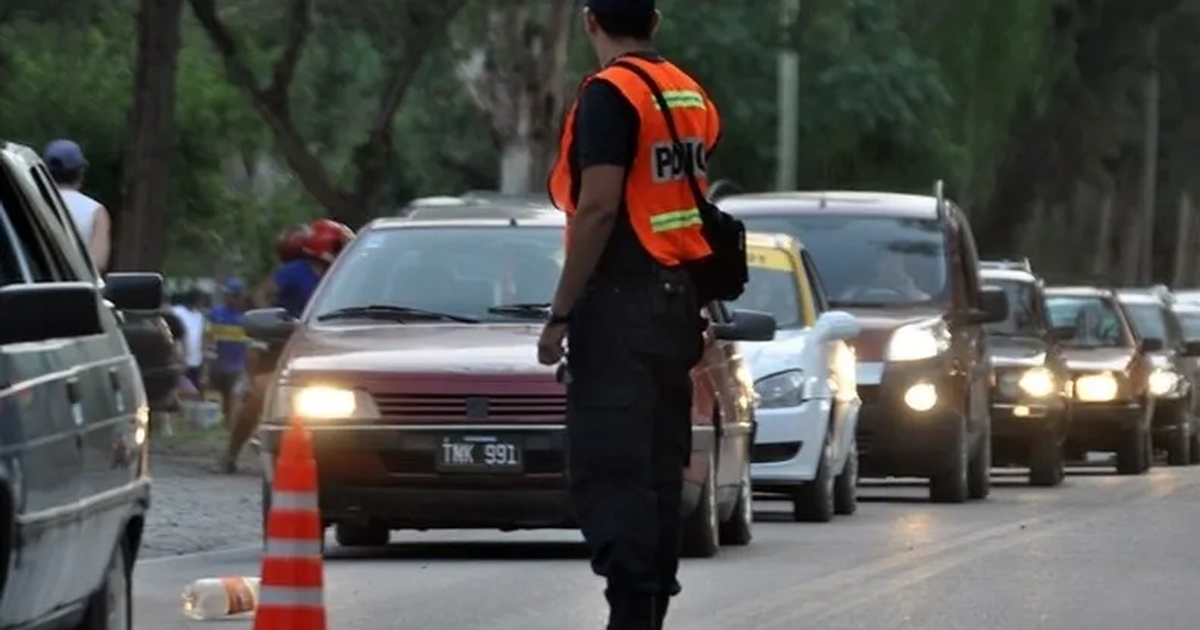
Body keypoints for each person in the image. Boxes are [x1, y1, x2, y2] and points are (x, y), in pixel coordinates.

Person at [539, 2, 721, 628]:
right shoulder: (689, 93)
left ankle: (629, 614)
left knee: (612, 465)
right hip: (676, 306)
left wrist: (560, 314)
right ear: (656, 20)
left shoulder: (609, 95)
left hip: (620, 306)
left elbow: (597, 210)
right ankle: (648, 612)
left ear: (590, 20)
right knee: (656, 464)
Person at [221, 219, 354, 473]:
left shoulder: (341, 276)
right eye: (339, 246)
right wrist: (273, 317)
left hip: (322, 345)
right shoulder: (295, 271)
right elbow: (263, 293)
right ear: (325, 245)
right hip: (279, 343)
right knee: (257, 398)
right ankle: (231, 454)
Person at [43, 139, 112, 273]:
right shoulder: (96, 211)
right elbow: (98, 263)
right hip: (78, 289)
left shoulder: (30, 201)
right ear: (80, 172)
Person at [206, 278, 250, 428]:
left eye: (237, 296)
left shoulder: (246, 318)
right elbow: (207, 337)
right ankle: (224, 422)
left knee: (234, 394)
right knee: (223, 395)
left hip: (238, 364)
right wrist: (207, 358)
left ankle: (232, 426)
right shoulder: (215, 314)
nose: (234, 299)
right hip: (218, 363)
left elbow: (249, 344)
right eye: (231, 295)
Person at [171, 288, 208, 391]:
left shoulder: (200, 316)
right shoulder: (177, 312)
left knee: (195, 392)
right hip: (179, 362)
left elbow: (202, 338)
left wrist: (204, 365)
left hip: (195, 362)